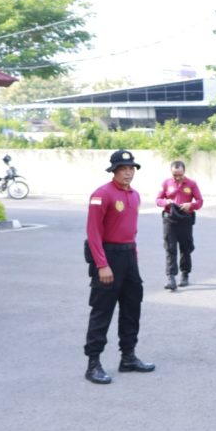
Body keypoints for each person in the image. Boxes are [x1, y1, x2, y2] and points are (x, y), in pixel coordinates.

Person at [83, 150, 155, 385]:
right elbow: (93, 232)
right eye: (123, 168)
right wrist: (102, 265)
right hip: (108, 255)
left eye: (131, 168)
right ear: (113, 170)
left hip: (128, 256)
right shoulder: (101, 194)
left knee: (132, 308)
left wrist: (133, 258)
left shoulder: (134, 195)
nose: (128, 172)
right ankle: (93, 363)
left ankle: (128, 357)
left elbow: (130, 231)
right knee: (102, 310)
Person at [156, 160, 203, 291]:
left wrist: (191, 205)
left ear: (184, 172)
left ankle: (185, 274)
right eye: (174, 174)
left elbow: (200, 201)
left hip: (185, 219)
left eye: (180, 174)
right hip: (170, 219)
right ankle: (171, 278)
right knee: (170, 248)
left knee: (186, 248)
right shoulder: (166, 183)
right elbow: (157, 200)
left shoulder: (192, 184)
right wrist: (166, 202)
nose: (177, 177)